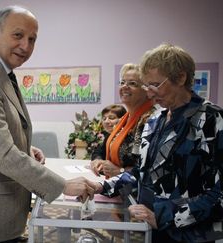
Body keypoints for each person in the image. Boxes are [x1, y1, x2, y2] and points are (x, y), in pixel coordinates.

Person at [0, 6, 96, 243]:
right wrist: (63, 186)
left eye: (32, 39)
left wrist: (25, 148)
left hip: (5, 204)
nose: (26, 46)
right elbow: (2, 154)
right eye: (18, 35)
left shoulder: (0, 72)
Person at [93, 43, 223, 242]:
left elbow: (219, 194)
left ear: (181, 78)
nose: (150, 93)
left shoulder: (213, 120)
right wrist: (101, 187)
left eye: (155, 85)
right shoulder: (155, 119)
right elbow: (141, 173)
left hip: (192, 234)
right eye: (146, 85)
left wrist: (164, 216)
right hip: (153, 230)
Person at [90, 64, 155, 178]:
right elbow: (104, 148)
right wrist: (98, 161)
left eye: (132, 83)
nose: (125, 86)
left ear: (146, 90)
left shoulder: (150, 121)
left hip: (137, 193)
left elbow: (151, 168)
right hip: (118, 188)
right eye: (122, 82)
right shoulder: (123, 120)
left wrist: (120, 171)